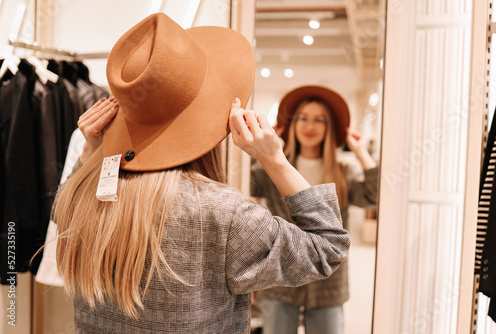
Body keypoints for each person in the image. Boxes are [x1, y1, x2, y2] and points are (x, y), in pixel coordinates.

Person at [50, 13, 350, 334]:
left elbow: (61, 210)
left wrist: (91, 153)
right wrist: (274, 158)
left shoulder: (86, 194)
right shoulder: (223, 213)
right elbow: (328, 247)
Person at [251, 85, 378, 334]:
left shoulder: (343, 172)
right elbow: (240, 179)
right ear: (292, 124)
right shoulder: (274, 170)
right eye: (303, 118)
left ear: (329, 127)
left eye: (319, 120)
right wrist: (267, 151)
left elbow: (372, 197)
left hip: (328, 282)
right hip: (281, 277)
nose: (310, 126)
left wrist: (361, 151)